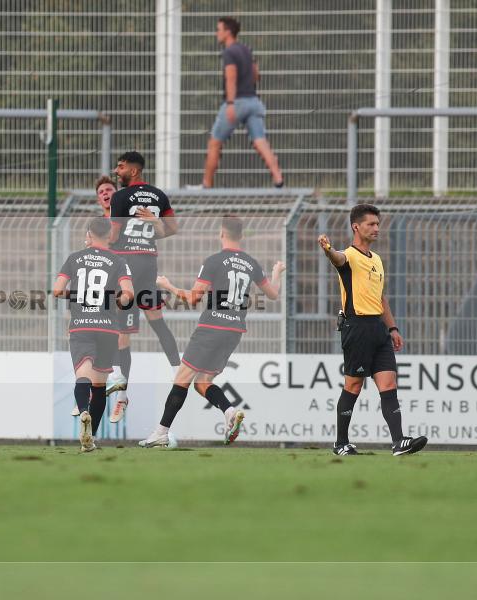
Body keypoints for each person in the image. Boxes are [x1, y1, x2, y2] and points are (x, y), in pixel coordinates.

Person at [139, 215, 284, 447]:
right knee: (203, 382)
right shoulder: (251, 263)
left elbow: (193, 298)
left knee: (182, 379)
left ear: (221, 233)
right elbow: (274, 294)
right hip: (234, 330)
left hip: (211, 327)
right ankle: (229, 411)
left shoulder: (215, 261)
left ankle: (161, 432)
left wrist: (168, 286)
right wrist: (277, 272)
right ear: (241, 235)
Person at [318, 204, 426, 457]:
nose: (376, 228)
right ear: (356, 227)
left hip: (378, 328)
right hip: (357, 327)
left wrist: (393, 327)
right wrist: (328, 250)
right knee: (354, 385)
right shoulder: (348, 255)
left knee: (389, 383)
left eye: (378, 224)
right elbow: (337, 259)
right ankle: (341, 443)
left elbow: (381, 298)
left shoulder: (376, 259)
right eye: (371, 224)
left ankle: (399, 442)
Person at [108, 151, 180, 423]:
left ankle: (121, 394)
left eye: (121, 166)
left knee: (121, 333)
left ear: (134, 170)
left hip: (126, 267)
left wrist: (98, 240)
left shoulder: (120, 197)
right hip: (148, 264)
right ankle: (177, 370)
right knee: (157, 321)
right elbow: (172, 229)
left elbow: (113, 236)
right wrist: (154, 222)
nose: (117, 171)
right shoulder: (159, 196)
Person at [53, 217, 134, 452]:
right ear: (110, 235)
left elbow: (57, 290)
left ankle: (83, 412)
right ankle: (91, 438)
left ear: (89, 234)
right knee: (99, 386)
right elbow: (128, 294)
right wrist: (116, 302)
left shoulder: (74, 258)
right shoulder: (118, 261)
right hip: (107, 328)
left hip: (82, 326)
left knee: (83, 376)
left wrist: (78, 296)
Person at [70, 175, 131, 423]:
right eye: (101, 192)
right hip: (100, 293)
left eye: (110, 190)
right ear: (98, 199)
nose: (106, 194)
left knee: (122, 336)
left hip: (123, 286)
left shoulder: (125, 221)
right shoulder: (97, 226)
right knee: (102, 335)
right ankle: (91, 393)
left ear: (118, 195)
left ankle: (121, 393)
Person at [201, 17, 283, 189]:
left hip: (236, 102)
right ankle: (278, 178)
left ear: (228, 32)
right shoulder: (246, 49)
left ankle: (206, 185)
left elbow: (231, 78)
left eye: (219, 29)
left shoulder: (229, 52)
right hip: (253, 102)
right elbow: (256, 75)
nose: (217, 33)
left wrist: (231, 104)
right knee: (260, 141)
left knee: (215, 143)